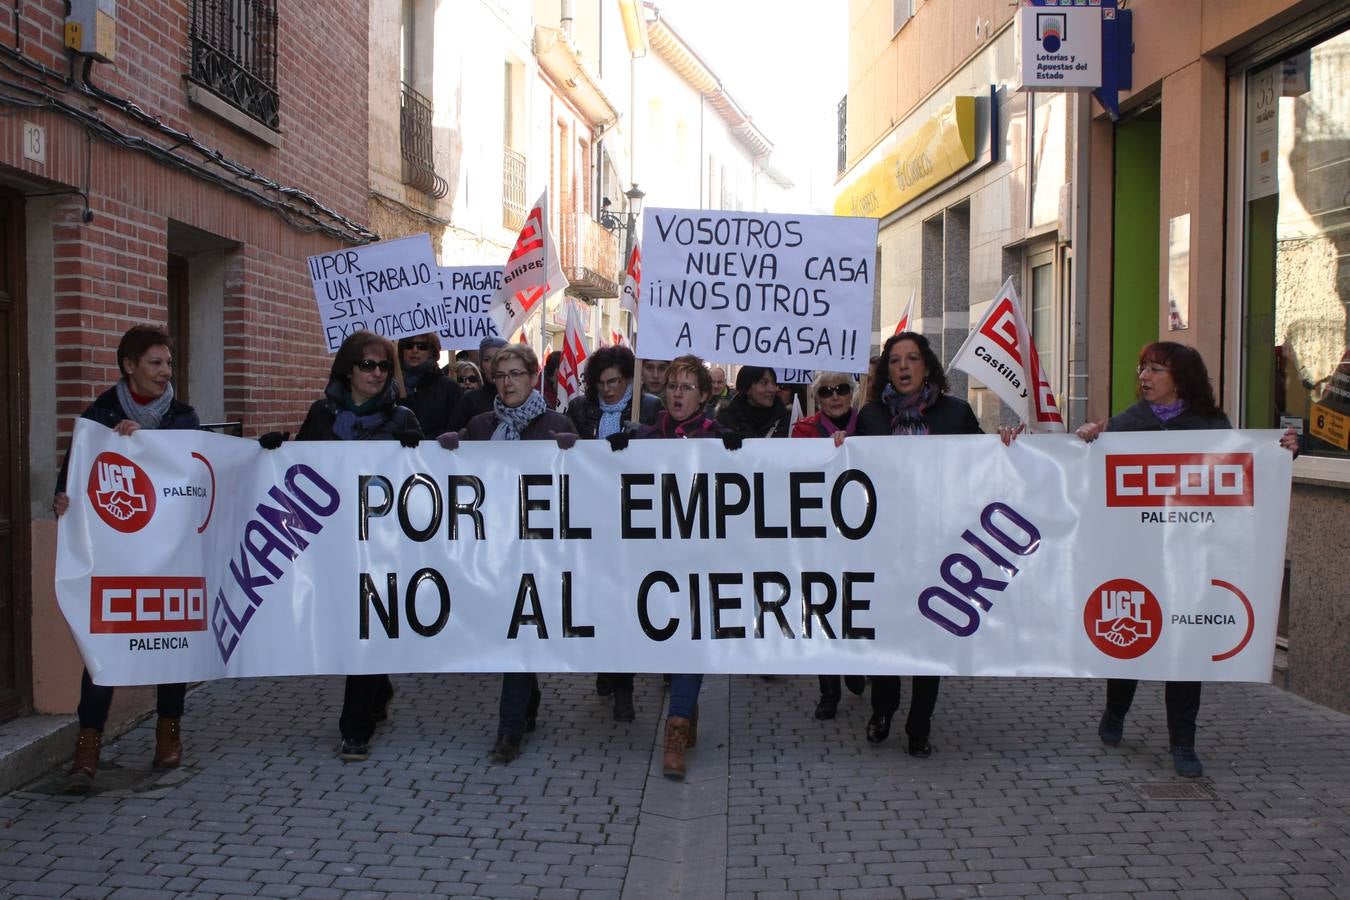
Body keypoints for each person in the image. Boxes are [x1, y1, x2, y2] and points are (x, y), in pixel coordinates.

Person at [1070, 341, 1300, 778]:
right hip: (1136, 558)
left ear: (1182, 378)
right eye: (1143, 368)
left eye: (1156, 369)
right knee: (1132, 643)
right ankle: (1115, 711)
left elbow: (1249, 463)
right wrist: (1086, 442)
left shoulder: (1211, 425)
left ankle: (1183, 742)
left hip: (1191, 559)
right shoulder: (1125, 424)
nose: (1144, 377)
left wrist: (1284, 449)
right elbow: (1088, 478)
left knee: (1185, 649)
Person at [54, 325, 200, 788]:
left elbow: (193, 471)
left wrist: (146, 443)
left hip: (170, 553)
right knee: (105, 646)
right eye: (155, 363)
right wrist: (63, 499)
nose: (164, 372)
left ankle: (168, 732)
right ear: (129, 366)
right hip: (116, 559)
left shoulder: (183, 416)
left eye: (168, 363)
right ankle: (88, 745)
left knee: (170, 643)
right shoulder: (98, 416)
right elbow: (73, 476)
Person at [286, 329, 422, 761]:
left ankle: (355, 730)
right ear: (348, 369)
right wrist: (275, 453)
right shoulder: (322, 416)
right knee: (349, 625)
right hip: (333, 542)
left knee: (368, 627)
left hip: (383, 545)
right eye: (368, 364)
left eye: (384, 366)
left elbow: (425, 476)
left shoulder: (403, 419)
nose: (377, 373)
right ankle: (378, 689)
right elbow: (299, 468)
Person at [855, 331, 982, 758]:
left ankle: (919, 726)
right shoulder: (871, 417)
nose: (904, 367)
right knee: (889, 635)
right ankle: (884, 709)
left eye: (912, 359)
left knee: (930, 638)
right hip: (886, 546)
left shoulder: (956, 413)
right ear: (886, 370)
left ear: (927, 365)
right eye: (895, 361)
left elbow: (985, 464)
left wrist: (1006, 444)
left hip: (939, 544)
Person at [455, 344, 577, 764]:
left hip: (540, 549)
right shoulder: (479, 425)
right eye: (501, 375)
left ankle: (509, 729)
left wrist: (576, 452)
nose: (507, 382)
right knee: (516, 631)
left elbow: (586, 482)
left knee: (520, 632)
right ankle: (527, 702)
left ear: (531, 378)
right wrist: (448, 450)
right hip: (493, 548)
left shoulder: (557, 423)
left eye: (516, 375)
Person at [617, 355, 737, 778]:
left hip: (703, 562)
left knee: (690, 636)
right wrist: (609, 457)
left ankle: (677, 724)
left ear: (705, 394)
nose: (678, 394)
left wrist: (741, 455)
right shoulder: (646, 438)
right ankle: (686, 706)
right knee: (668, 639)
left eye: (687, 387)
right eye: (672, 386)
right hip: (656, 561)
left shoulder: (721, 438)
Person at [564, 344, 660, 721]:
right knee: (598, 601)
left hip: (632, 520)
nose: (607, 390)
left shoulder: (649, 407)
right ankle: (605, 665)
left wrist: (638, 441)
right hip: (590, 519)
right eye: (601, 383)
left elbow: (666, 449)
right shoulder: (578, 409)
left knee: (624, 603)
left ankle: (624, 685)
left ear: (628, 380)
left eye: (615, 382)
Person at [791, 371, 867, 720]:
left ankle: (853, 664)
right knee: (821, 607)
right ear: (817, 397)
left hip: (862, 534)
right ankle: (828, 690)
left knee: (856, 604)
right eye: (826, 391)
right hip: (819, 535)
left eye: (841, 389)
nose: (834, 396)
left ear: (852, 393)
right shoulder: (804, 430)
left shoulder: (870, 426)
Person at [398, 332, 462, 437]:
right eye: (409, 346)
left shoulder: (449, 388)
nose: (414, 350)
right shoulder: (389, 386)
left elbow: (456, 428)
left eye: (422, 347)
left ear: (431, 352)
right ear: (401, 351)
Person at [448, 336, 507, 430]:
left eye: (499, 358)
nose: (493, 364)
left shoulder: (522, 398)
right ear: (481, 365)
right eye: (487, 359)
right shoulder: (469, 401)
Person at [718, 366, 791, 438]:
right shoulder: (725, 421)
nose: (773, 389)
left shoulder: (787, 421)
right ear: (747, 388)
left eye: (774, 383)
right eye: (764, 383)